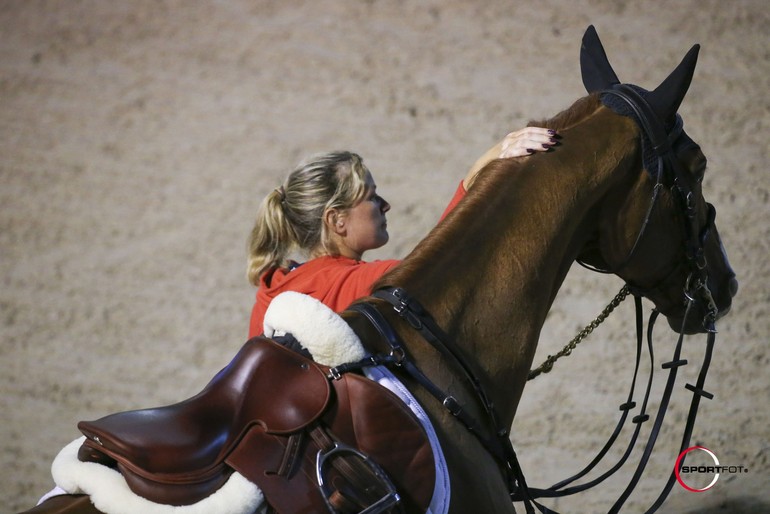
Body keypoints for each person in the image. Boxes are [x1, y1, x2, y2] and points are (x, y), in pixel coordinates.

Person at [247, 127, 558, 337]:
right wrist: (486, 163)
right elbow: (445, 261)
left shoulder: (273, 288)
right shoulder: (360, 282)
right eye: (370, 196)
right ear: (336, 221)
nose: (385, 205)